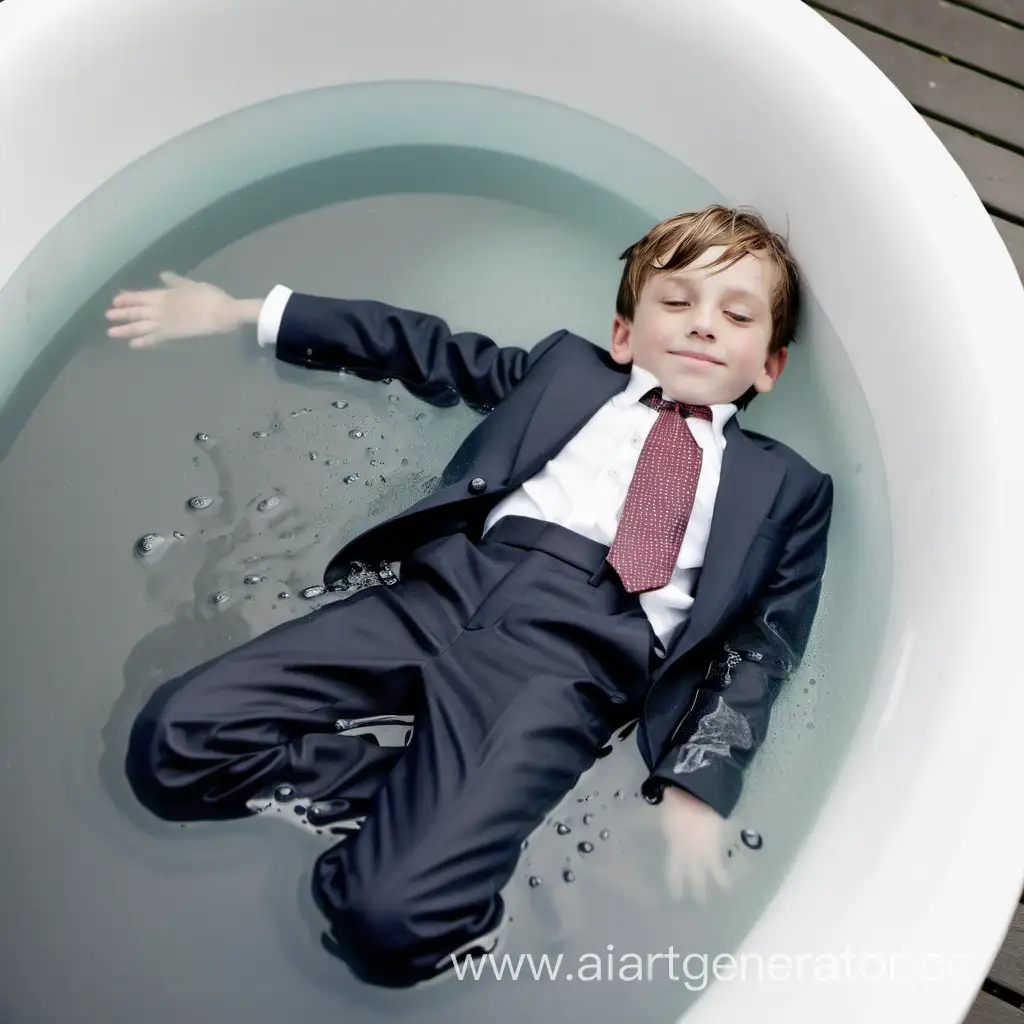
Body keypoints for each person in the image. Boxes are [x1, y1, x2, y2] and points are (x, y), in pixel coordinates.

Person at [106, 204, 833, 988]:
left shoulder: (786, 487)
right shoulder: (567, 375)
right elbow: (424, 350)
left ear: (769, 367)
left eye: (736, 313)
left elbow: (761, 647)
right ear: (624, 335)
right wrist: (243, 312)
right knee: (170, 744)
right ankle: (423, 813)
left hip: (567, 668)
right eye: (677, 301)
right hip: (436, 598)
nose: (702, 325)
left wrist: (700, 785)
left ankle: (427, 847)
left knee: (390, 927)